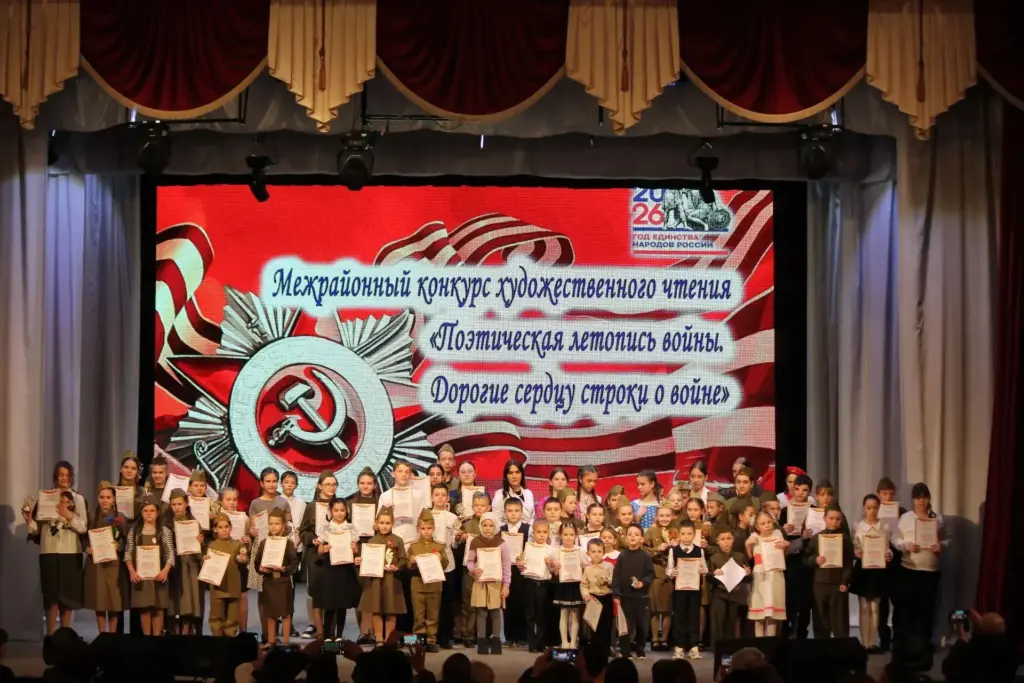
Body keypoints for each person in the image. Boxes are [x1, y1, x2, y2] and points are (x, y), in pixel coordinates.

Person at [24, 460, 88, 635]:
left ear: (71, 477)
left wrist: (69, 516)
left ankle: (65, 636)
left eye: (67, 475)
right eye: (61, 475)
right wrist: (29, 520)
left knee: (67, 598)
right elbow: (37, 530)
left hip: (71, 552)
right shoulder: (45, 498)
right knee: (50, 597)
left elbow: (83, 527)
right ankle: (50, 636)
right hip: (49, 551)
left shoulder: (78, 499)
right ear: (55, 477)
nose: (64, 478)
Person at [893, 483, 948, 643]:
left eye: (924, 498)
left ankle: (925, 643)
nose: (921, 501)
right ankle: (906, 643)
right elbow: (895, 539)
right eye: (918, 498)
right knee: (907, 608)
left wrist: (941, 545)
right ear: (913, 500)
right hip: (909, 569)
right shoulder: (905, 518)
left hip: (930, 571)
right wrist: (906, 545)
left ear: (929, 499)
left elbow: (947, 539)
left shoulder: (937, 518)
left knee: (927, 609)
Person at [246, 467, 291, 643]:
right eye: (268, 481)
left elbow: (290, 526)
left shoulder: (283, 502)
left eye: (274, 481)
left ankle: (278, 629)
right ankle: (266, 631)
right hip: (261, 549)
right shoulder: (255, 504)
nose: (271, 484)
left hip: (279, 550)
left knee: (279, 590)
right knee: (263, 592)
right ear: (261, 483)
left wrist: (287, 527)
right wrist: (252, 531)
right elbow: (252, 528)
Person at [850, 493, 895, 651]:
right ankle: (864, 643)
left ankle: (873, 642)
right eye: (869, 508)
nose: (872, 511)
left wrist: (889, 554)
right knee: (864, 606)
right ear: (864, 508)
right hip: (863, 570)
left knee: (875, 607)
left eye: (875, 508)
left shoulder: (884, 527)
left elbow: (888, 547)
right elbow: (854, 546)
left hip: (878, 570)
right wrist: (857, 553)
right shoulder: (858, 526)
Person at [357, 507, 408, 644]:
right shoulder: (371, 541)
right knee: (376, 610)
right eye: (381, 523)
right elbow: (367, 561)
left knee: (391, 611)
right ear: (376, 523)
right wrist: (361, 562)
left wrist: (397, 567)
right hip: (376, 581)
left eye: (387, 523)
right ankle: (379, 639)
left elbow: (403, 559)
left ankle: (388, 640)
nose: (384, 526)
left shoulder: (398, 540)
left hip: (392, 580)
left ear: (392, 524)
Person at [125, 494, 175, 635]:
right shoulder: (134, 532)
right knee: (145, 609)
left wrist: (165, 571)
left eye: (152, 510)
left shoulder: (164, 532)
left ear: (157, 512)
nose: (149, 513)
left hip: (159, 576)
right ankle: (146, 639)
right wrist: (132, 571)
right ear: (141, 512)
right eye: (145, 510)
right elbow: (128, 553)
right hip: (141, 576)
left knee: (158, 609)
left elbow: (170, 554)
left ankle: (156, 638)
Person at [314, 497, 361, 641]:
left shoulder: (351, 528)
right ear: (331, 511)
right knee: (329, 603)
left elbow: (356, 550)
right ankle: (328, 636)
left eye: (342, 510)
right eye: (336, 510)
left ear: (347, 511)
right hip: (330, 568)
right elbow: (319, 550)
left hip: (345, 569)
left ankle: (339, 636)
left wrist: (354, 549)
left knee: (342, 603)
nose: (339, 513)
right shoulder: (325, 529)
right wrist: (324, 548)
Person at [84, 480, 128, 633]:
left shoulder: (120, 517)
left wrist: (119, 545)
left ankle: (112, 636)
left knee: (113, 602)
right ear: (97, 498)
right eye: (102, 497)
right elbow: (83, 538)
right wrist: (87, 548)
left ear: (114, 499)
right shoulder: (91, 516)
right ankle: (102, 635)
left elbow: (126, 539)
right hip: (96, 564)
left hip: (114, 564)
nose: (105, 501)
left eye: (108, 497)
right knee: (100, 601)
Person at [465, 511, 511, 654]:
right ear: (480, 526)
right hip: (481, 582)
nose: (487, 528)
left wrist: (506, 585)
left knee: (495, 611)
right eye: (484, 525)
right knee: (481, 612)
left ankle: (496, 642)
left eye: (491, 525)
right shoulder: (475, 542)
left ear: (495, 526)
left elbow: (506, 565)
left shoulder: (501, 543)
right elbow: (470, 561)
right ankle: (482, 642)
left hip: (496, 582)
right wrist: (474, 570)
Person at [804, 505, 854, 638]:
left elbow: (849, 563)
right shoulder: (816, 538)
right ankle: (822, 648)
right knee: (821, 621)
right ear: (824, 519)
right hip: (820, 584)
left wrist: (845, 581)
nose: (834, 521)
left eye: (837, 519)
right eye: (831, 518)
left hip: (838, 585)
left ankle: (841, 648)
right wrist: (815, 560)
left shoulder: (845, 539)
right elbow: (805, 558)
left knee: (840, 623)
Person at [301, 470, 339, 639]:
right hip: (315, 555)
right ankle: (318, 629)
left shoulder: (340, 505)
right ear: (319, 486)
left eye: (334, 484)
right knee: (316, 592)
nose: (331, 487)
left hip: (335, 555)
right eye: (327, 484)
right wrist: (313, 539)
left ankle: (331, 630)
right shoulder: (311, 507)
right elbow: (303, 531)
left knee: (333, 593)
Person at [254, 507, 299, 646]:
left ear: (283, 526)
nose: (273, 527)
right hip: (269, 581)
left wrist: (284, 569)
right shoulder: (264, 543)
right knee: (270, 613)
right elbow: (257, 562)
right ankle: (271, 640)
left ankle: (285, 642)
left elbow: (294, 563)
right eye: (271, 523)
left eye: (277, 524)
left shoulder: (288, 543)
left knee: (285, 613)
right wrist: (260, 569)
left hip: (283, 581)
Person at [347, 466, 380, 643]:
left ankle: (373, 631)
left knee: (373, 590)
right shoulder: (350, 504)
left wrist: (378, 526)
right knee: (360, 590)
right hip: (357, 548)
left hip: (375, 548)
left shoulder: (380, 503)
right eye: (362, 483)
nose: (365, 486)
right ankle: (363, 631)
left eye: (369, 483)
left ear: (374, 485)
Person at [408, 509, 449, 651]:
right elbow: (408, 565)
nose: (426, 531)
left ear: (434, 529)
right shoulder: (413, 547)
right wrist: (412, 562)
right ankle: (418, 641)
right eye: (423, 528)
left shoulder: (439, 546)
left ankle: (431, 640)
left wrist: (440, 558)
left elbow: (445, 565)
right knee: (418, 615)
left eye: (429, 528)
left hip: (434, 585)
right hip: (418, 585)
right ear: (418, 529)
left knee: (433, 615)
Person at [666, 520, 707, 659]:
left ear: (694, 535)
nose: (686, 536)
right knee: (679, 616)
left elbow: (704, 568)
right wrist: (672, 572)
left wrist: (703, 570)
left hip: (695, 589)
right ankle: (679, 646)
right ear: (679, 535)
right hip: (679, 589)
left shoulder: (699, 550)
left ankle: (693, 646)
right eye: (683, 534)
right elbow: (669, 568)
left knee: (694, 616)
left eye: (689, 534)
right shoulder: (673, 550)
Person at [779, 473, 813, 639]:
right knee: (789, 599)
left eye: (804, 490)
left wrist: (808, 535)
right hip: (790, 560)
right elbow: (778, 537)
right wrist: (784, 530)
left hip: (807, 560)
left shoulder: (814, 511)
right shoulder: (785, 511)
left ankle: (802, 634)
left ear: (809, 491)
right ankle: (787, 633)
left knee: (805, 600)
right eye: (797, 489)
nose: (800, 493)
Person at [612, 523, 654, 659]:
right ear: (626, 537)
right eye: (630, 534)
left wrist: (643, 583)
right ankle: (625, 649)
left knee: (641, 624)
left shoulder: (646, 556)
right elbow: (616, 576)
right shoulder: (622, 556)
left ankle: (640, 648)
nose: (633, 537)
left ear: (642, 539)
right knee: (626, 625)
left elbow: (651, 574)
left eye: (636, 534)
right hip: (626, 596)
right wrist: (616, 592)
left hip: (642, 596)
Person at [707, 526, 751, 649]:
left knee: (731, 622)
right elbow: (707, 577)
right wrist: (713, 573)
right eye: (723, 539)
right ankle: (717, 648)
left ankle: (729, 648)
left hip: (735, 594)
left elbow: (747, 577)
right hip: (719, 594)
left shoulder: (740, 557)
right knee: (718, 622)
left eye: (728, 539)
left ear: (733, 540)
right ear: (717, 541)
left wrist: (747, 573)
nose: (726, 542)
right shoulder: (714, 558)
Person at [874, 477, 905, 651]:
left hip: (898, 562)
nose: (888, 497)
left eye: (891, 494)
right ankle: (884, 638)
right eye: (885, 493)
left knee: (899, 602)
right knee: (882, 603)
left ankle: (898, 637)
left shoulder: (902, 512)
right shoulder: (873, 510)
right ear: (878, 494)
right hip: (879, 563)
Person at [205, 512, 247, 636]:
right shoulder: (212, 545)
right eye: (220, 527)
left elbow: (243, 559)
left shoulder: (237, 544)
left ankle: (230, 639)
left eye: (226, 527)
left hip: (233, 586)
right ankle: (218, 639)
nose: (224, 530)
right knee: (216, 615)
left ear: (231, 528)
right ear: (215, 529)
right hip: (217, 587)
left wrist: (242, 559)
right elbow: (207, 565)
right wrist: (205, 561)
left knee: (232, 617)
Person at [428, 483, 460, 649]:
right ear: (431, 497)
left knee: (447, 603)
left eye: (443, 495)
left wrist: (457, 539)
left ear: (447, 498)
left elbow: (454, 545)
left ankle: (445, 637)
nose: (440, 498)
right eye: (437, 495)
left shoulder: (452, 518)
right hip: (430, 564)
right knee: (432, 603)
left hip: (448, 565)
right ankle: (430, 637)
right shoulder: (425, 516)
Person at [168, 488, 204, 634]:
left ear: (186, 504)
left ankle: (187, 630)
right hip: (173, 565)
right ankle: (175, 631)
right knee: (175, 601)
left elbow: (200, 551)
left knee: (188, 600)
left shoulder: (194, 523)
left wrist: (199, 542)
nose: (177, 508)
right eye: (174, 504)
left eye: (180, 504)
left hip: (190, 566)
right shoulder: (167, 523)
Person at [746, 511, 787, 637]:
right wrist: (747, 544)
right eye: (763, 523)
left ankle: (770, 642)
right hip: (760, 576)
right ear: (757, 526)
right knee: (759, 614)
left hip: (775, 575)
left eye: (769, 522)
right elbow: (750, 557)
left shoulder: (778, 535)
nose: (767, 525)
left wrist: (786, 545)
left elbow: (783, 555)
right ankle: (760, 643)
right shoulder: (754, 537)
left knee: (772, 613)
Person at [216, 487, 251, 631]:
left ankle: (243, 630)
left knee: (242, 595)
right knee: (222, 597)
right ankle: (223, 630)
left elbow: (248, 540)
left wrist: (247, 541)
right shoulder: (216, 517)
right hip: (222, 562)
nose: (232, 502)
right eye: (228, 499)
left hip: (239, 563)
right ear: (221, 501)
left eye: (234, 500)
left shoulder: (244, 518)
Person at [456, 490, 488, 646]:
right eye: (476, 505)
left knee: (484, 603)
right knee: (468, 602)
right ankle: (467, 635)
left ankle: (482, 634)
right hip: (469, 569)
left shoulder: (493, 524)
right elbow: (457, 545)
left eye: (482, 505)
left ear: (488, 507)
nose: (479, 508)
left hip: (487, 570)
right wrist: (460, 538)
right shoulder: (467, 525)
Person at [520, 519, 556, 652]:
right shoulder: (527, 547)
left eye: (544, 532)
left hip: (544, 584)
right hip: (530, 582)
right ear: (533, 533)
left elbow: (553, 570)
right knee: (530, 614)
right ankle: (532, 643)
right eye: (538, 532)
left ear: (548, 534)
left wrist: (551, 565)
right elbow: (523, 565)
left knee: (542, 614)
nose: (541, 535)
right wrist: (520, 565)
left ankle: (541, 641)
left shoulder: (551, 550)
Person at [643, 505, 676, 651]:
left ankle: (665, 639)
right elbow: (643, 549)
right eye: (661, 515)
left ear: (672, 516)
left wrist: (676, 546)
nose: (664, 518)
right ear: (656, 517)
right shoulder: (650, 531)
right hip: (656, 573)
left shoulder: (676, 531)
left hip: (672, 574)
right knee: (655, 609)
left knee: (668, 609)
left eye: (667, 516)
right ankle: (655, 639)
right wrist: (657, 549)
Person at [280, 470, 307, 640]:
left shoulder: (301, 503)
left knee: (291, 588)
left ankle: (288, 624)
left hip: (295, 547)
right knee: (278, 587)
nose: (289, 485)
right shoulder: (278, 500)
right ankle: (275, 622)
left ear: (296, 485)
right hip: (279, 548)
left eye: (292, 482)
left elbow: (303, 525)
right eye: (286, 482)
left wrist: (298, 543)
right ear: (281, 484)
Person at [551, 522, 586, 648]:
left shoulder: (580, 550)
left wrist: (582, 566)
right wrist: (556, 568)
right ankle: (564, 641)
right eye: (565, 534)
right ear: (560, 535)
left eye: (571, 534)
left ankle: (573, 641)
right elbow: (555, 572)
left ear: (575, 535)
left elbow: (586, 567)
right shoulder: (557, 551)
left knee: (575, 614)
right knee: (564, 613)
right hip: (563, 585)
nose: (568, 537)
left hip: (576, 584)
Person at [500, 497, 529, 647]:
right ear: (505, 512)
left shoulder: (527, 529)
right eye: (510, 511)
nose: (513, 514)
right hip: (506, 570)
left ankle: (522, 636)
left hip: (522, 570)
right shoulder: (501, 530)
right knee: (508, 603)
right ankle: (509, 636)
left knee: (522, 602)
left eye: (516, 511)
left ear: (521, 512)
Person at [580, 538, 614, 649]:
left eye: (599, 551)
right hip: (593, 598)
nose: (596, 554)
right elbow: (584, 584)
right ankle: (594, 647)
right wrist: (586, 594)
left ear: (604, 552)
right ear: (588, 553)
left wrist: (607, 581)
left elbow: (615, 581)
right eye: (593, 552)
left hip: (606, 598)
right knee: (593, 623)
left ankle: (606, 648)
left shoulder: (609, 566)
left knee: (606, 623)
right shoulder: (587, 569)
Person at [492, 460, 535, 525]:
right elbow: (496, 520)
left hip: (529, 530)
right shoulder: (500, 494)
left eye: (517, 472)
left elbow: (532, 517)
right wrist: (513, 528)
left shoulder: (529, 493)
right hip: (508, 530)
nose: (514, 476)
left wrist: (528, 528)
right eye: (510, 473)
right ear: (506, 476)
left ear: (522, 474)